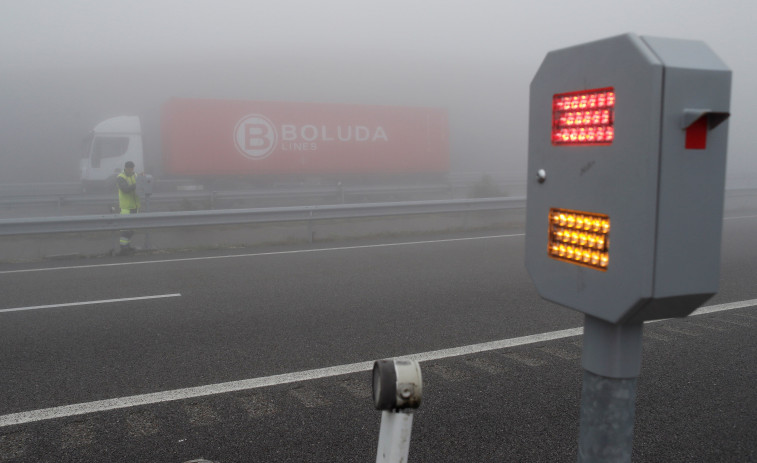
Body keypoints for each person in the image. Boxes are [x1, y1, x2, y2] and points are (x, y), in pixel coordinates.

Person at [116, 161, 140, 254]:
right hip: (126, 207)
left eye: (132, 168)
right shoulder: (121, 177)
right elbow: (125, 189)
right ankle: (123, 248)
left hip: (135, 206)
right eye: (129, 168)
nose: (131, 170)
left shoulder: (135, 175)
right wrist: (136, 185)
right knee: (126, 229)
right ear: (125, 168)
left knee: (132, 229)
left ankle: (128, 246)